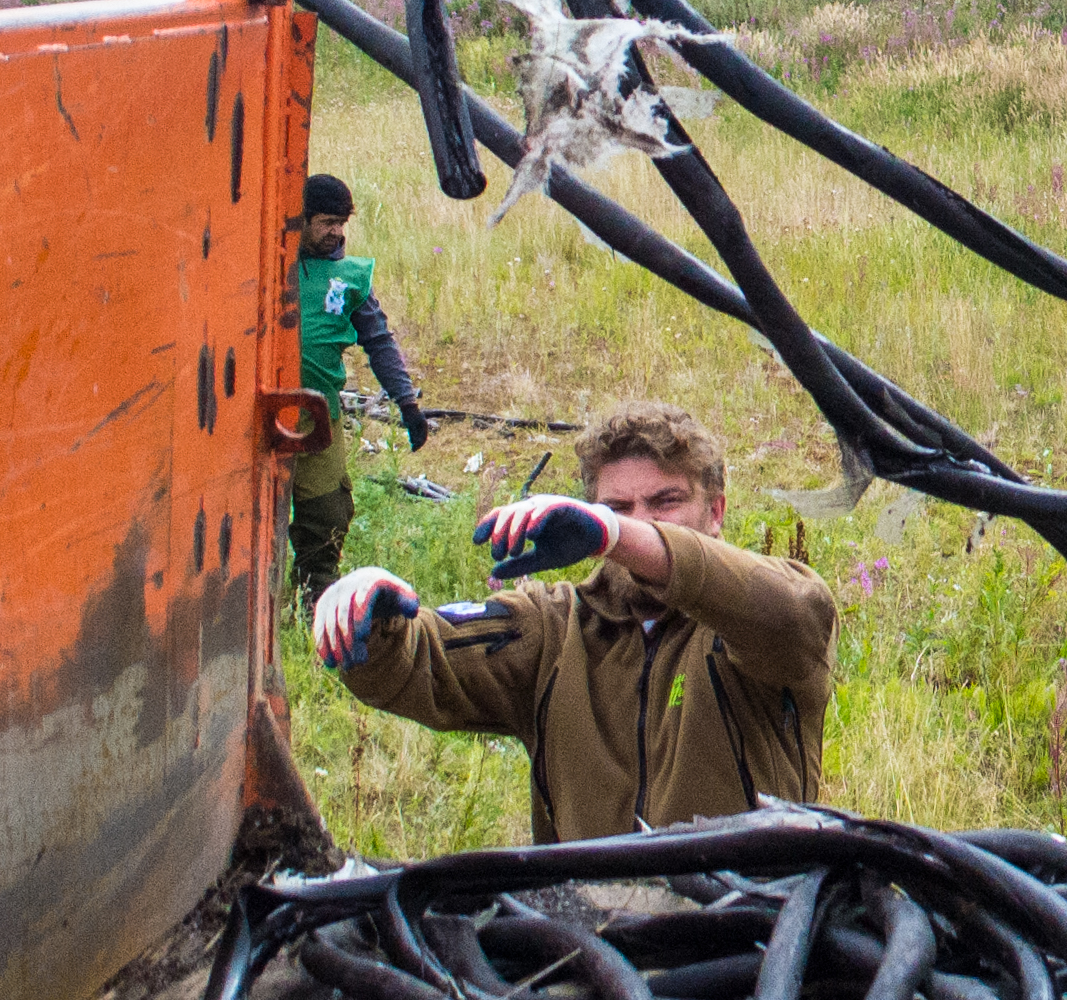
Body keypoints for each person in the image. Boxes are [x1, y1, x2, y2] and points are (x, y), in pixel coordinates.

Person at [308, 400, 837, 839]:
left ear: (716, 510)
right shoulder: (554, 628)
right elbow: (424, 659)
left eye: (666, 502)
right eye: (617, 507)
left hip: (747, 939)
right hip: (584, 933)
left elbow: (794, 617)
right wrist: (369, 614)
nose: (641, 522)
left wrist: (617, 537)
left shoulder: (761, 617)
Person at [289, 172, 433, 598]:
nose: (335, 233)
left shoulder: (351, 279)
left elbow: (379, 342)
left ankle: (313, 598)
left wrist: (407, 403)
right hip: (253, 413)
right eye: (326, 222)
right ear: (301, 220)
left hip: (317, 414)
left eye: (341, 224)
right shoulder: (264, 264)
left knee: (326, 511)